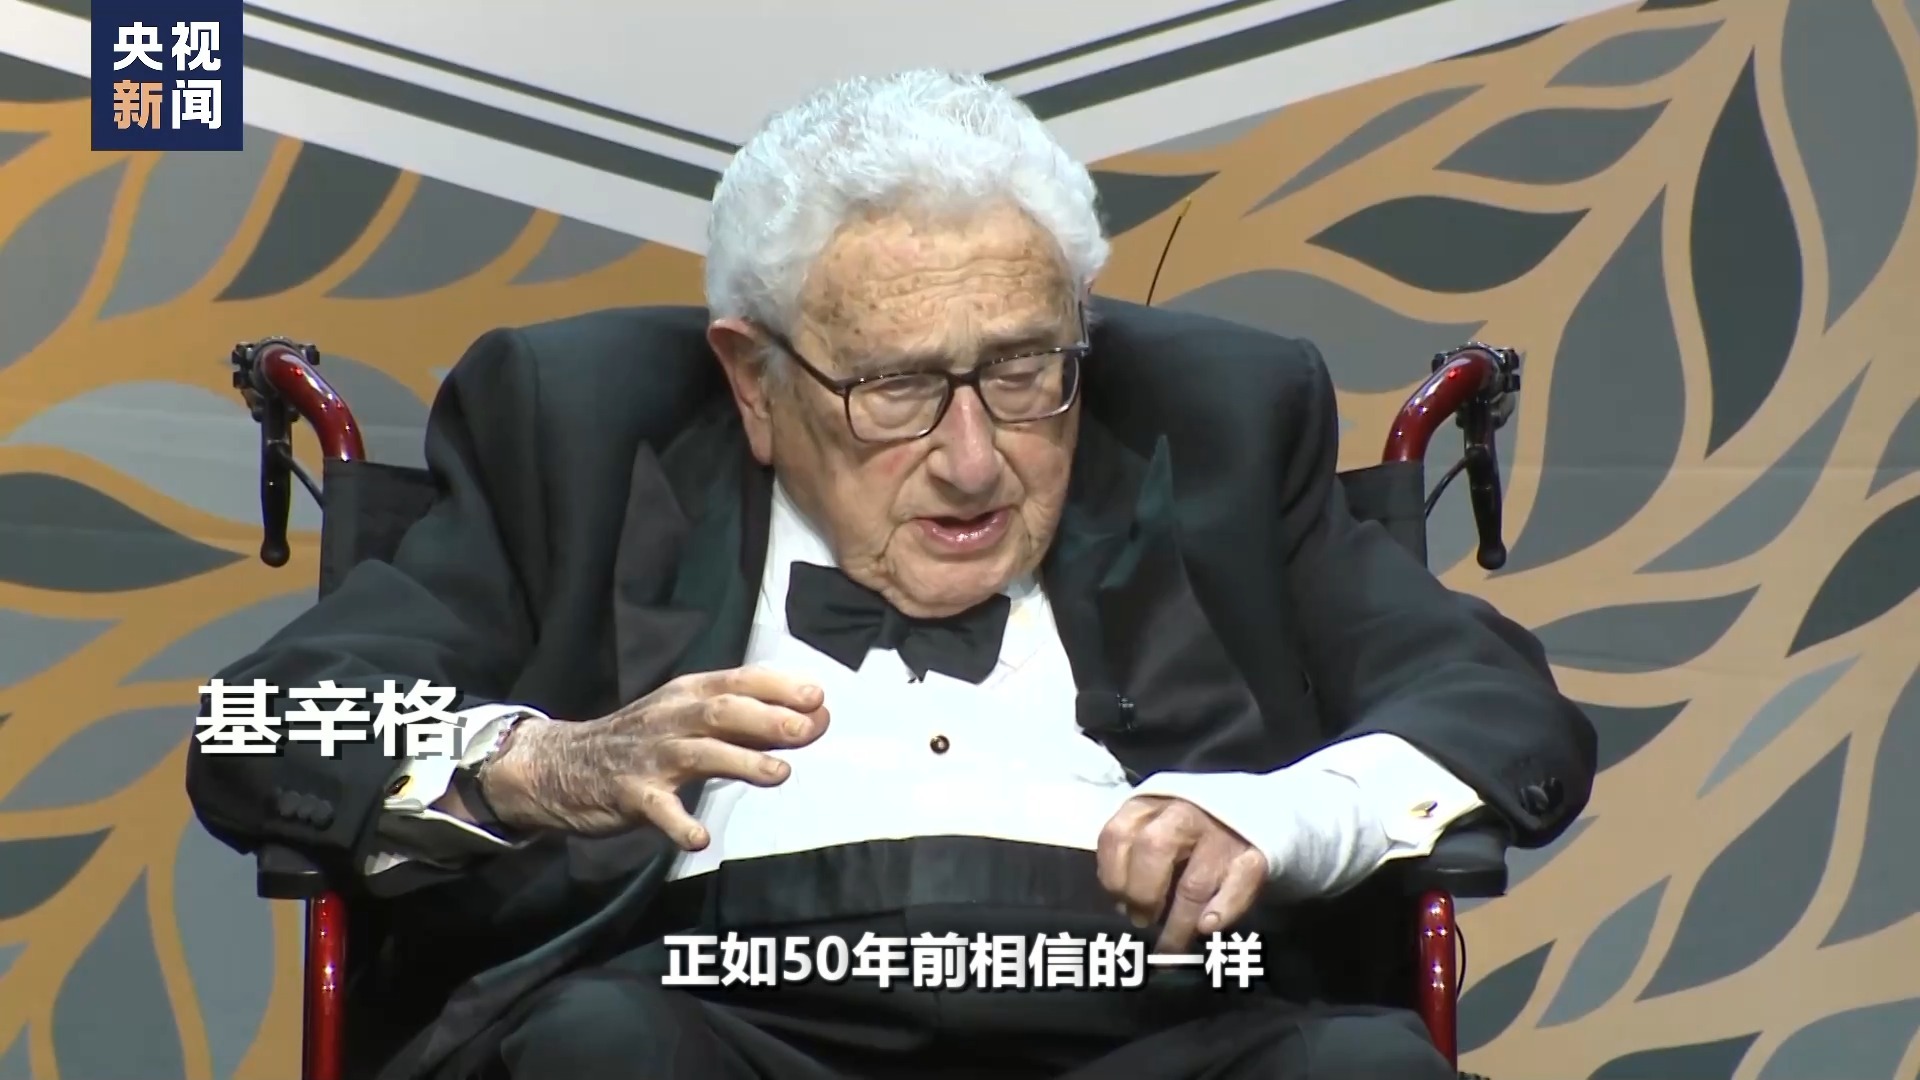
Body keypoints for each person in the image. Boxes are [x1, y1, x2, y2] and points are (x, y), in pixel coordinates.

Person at [187, 69, 1595, 1080]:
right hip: (711, 1011)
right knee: (596, 1051)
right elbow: (263, 728)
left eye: (1026, 371)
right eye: (897, 390)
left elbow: (1493, 705)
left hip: (1160, 1015)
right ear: (755, 381)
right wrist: (537, 764)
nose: (974, 462)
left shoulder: (1215, 424)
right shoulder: (576, 434)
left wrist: (1280, 816)